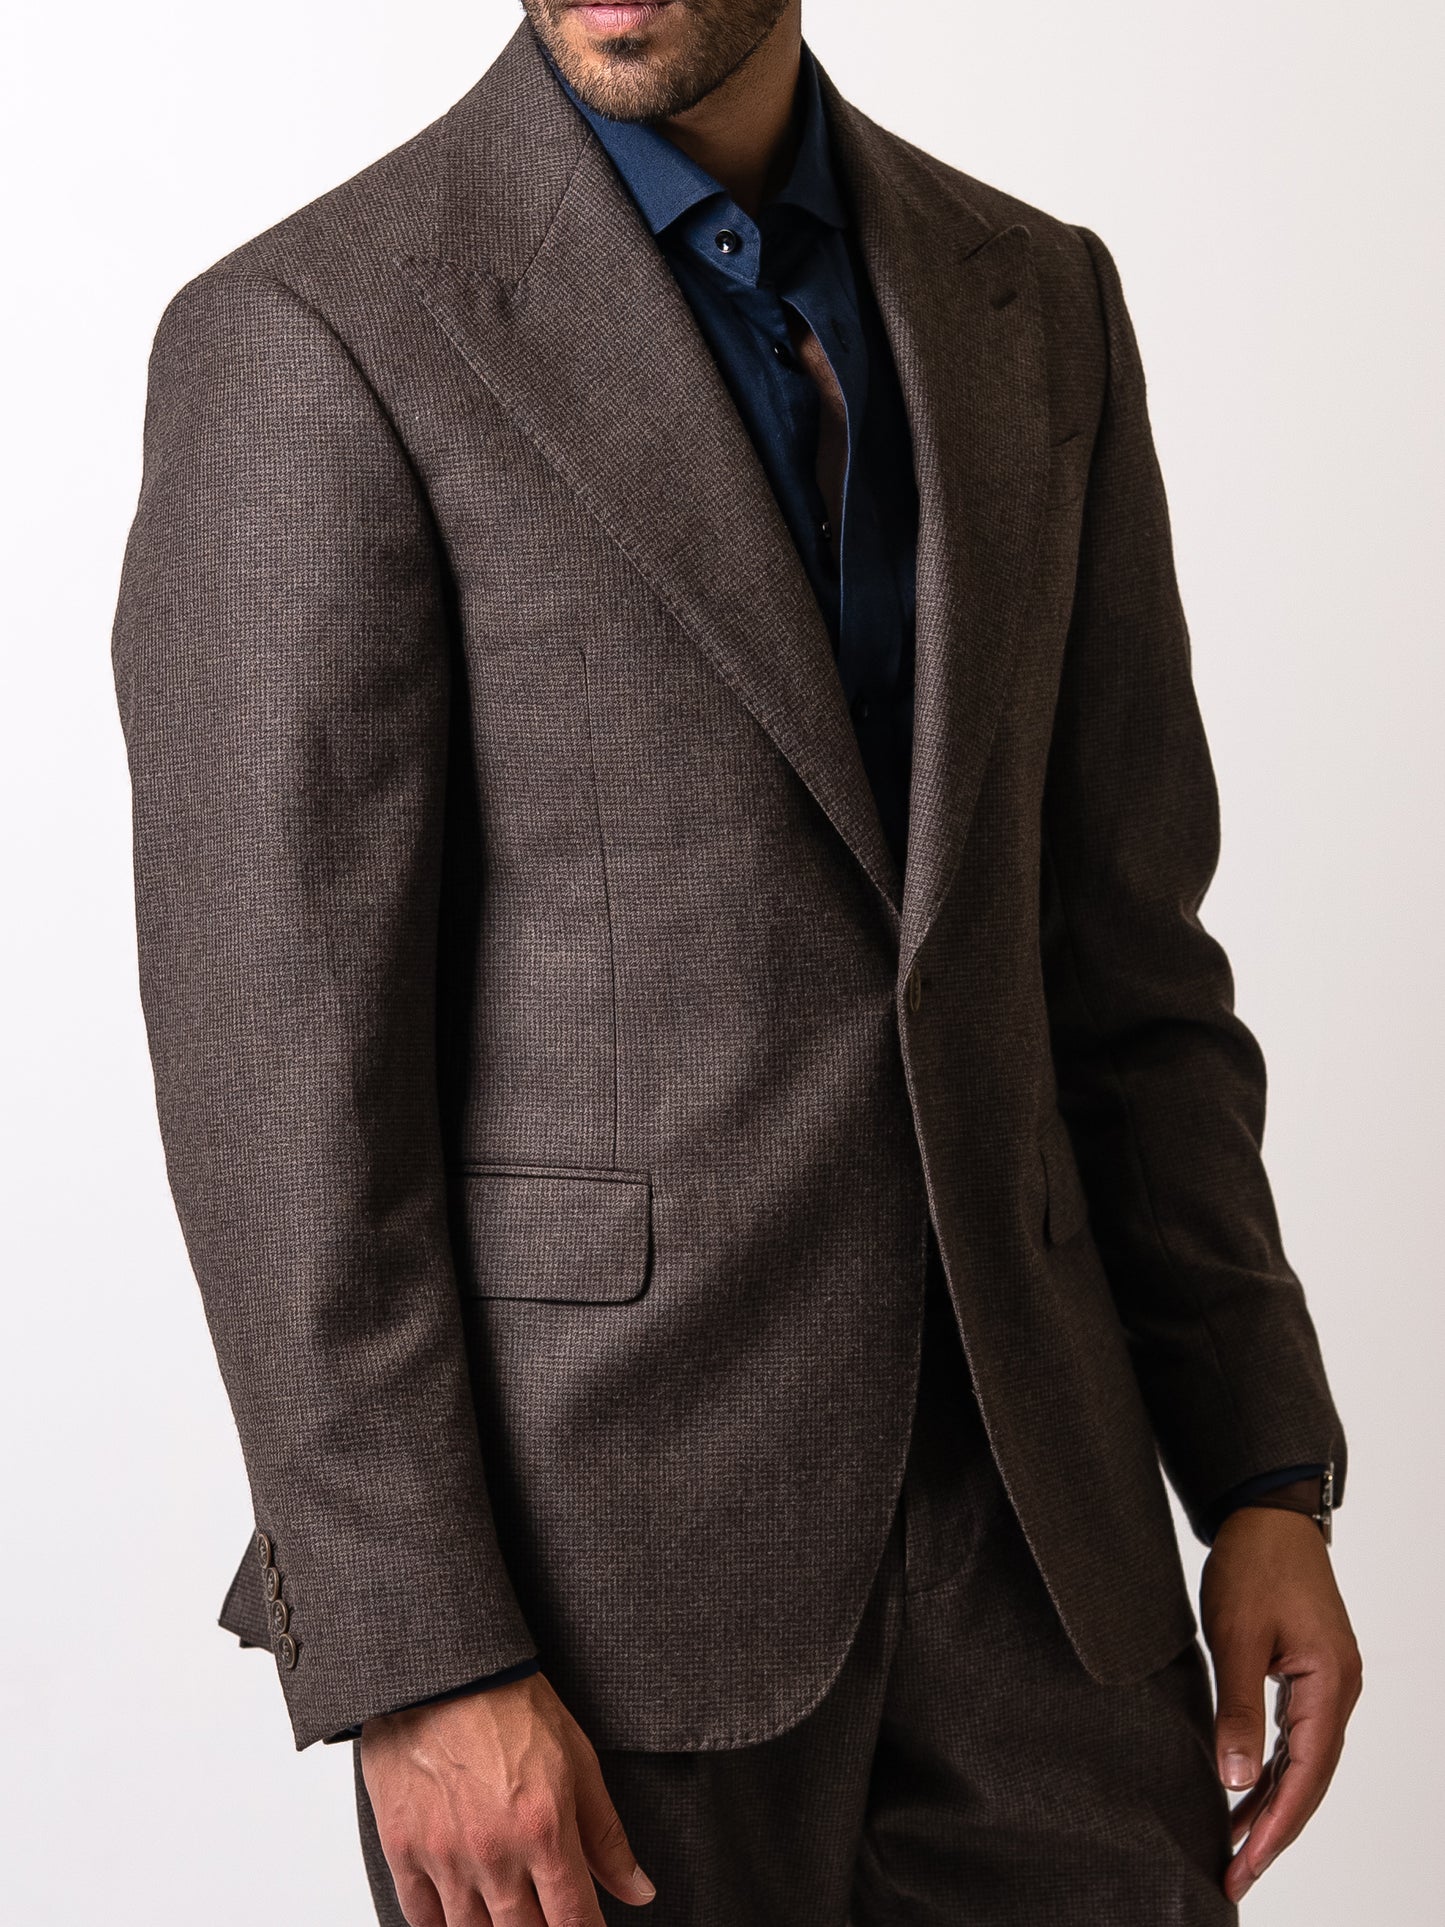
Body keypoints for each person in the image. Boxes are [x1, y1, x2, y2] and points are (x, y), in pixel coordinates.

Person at [111, 3, 1361, 1922]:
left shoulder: (1037, 299)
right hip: (595, 1611)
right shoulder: (316, 331)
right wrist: (414, 1649)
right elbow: (278, 1088)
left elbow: (1124, 968)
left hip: (1054, 1572)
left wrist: (1262, 1468)